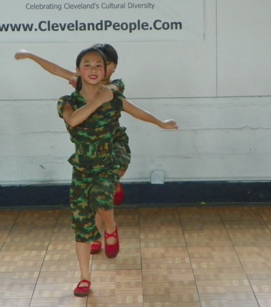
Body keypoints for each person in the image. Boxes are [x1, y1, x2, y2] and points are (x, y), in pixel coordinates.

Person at [57, 47, 177, 296]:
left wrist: (160, 123)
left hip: (108, 161)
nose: (93, 69)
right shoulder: (67, 102)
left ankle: (110, 227)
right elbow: (73, 120)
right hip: (81, 166)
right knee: (81, 225)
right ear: (78, 71)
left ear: (105, 71)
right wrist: (99, 99)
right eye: (87, 65)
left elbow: (136, 111)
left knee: (100, 196)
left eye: (98, 65)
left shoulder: (113, 97)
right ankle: (84, 278)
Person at [15, 44, 128, 255]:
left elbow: (131, 108)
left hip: (113, 141)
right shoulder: (81, 85)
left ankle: (114, 186)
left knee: (105, 183)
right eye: (90, 64)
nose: (98, 69)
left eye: (105, 65)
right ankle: (96, 230)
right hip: (90, 149)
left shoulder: (114, 88)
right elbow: (57, 70)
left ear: (111, 68)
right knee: (94, 192)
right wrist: (31, 55)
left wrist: (161, 123)